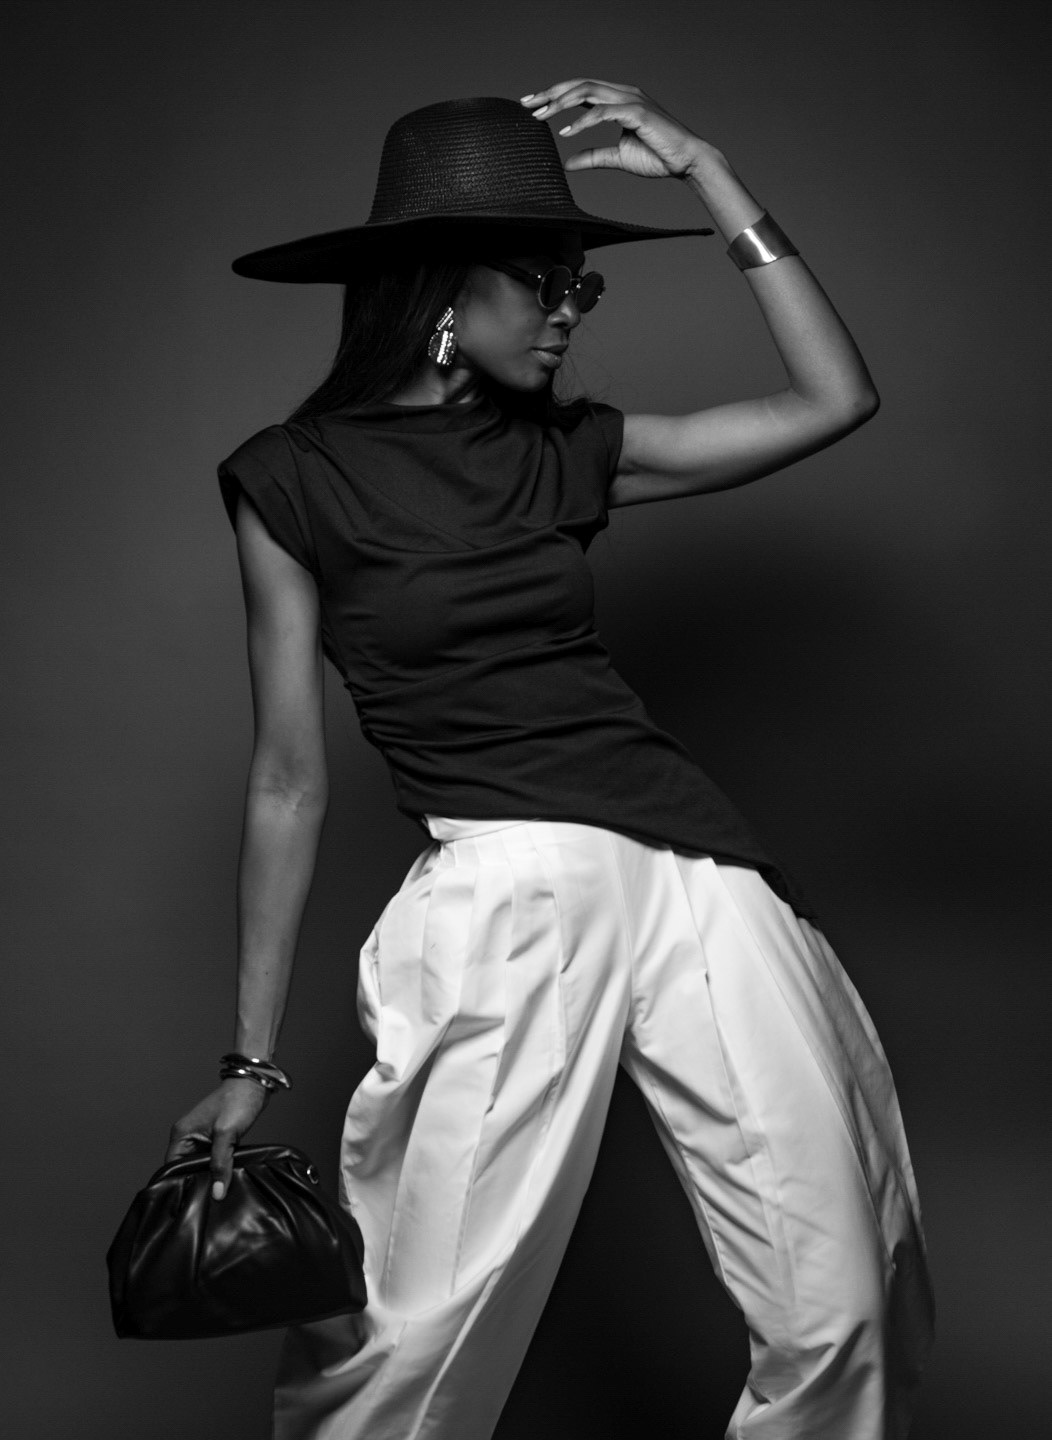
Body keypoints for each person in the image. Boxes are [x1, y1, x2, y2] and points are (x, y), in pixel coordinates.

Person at [166, 81, 934, 1440]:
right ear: (440, 290)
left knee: (844, 1301)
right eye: (543, 280)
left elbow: (837, 397)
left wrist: (708, 170)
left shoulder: (569, 449)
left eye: (584, 281)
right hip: (506, 895)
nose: (572, 307)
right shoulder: (294, 478)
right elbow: (287, 777)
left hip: (699, 873)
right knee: (416, 1342)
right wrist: (252, 1058)